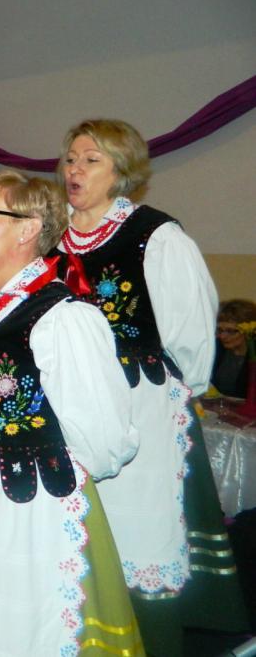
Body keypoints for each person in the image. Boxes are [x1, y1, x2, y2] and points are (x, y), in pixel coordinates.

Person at [0, 170, 142, 656]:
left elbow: (103, 436)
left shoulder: (62, 318)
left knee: (15, 625)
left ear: (28, 228)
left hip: (24, 502)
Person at [55, 119, 248, 654]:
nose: (74, 170)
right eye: (70, 158)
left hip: (138, 403)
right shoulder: (50, 236)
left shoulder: (154, 235)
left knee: (136, 530)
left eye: (91, 159)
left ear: (122, 170)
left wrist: (172, 395)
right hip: (66, 406)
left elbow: (188, 333)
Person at [212, 299, 256, 398]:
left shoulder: (253, 355)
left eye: (231, 331)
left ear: (249, 330)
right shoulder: (216, 347)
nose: (222, 336)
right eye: (219, 330)